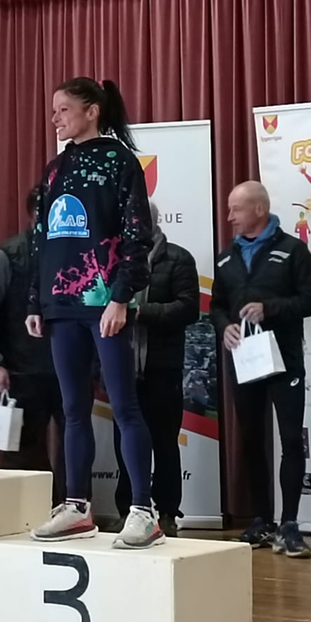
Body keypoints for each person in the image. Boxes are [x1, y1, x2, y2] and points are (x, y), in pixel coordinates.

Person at [25, 77, 160, 549]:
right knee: (73, 410)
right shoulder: (55, 168)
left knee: (124, 406)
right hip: (60, 305)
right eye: (54, 110)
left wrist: (120, 298)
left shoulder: (121, 161)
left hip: (104, 302)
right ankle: (77, 505)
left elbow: (138, 236)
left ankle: (143, 510)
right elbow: (41, 239)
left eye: (64, 109)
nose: (55, 118)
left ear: (92, 111)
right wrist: (36, 301)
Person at [212, 181, 311, 558]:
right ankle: (261, 520)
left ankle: (290, 524)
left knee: (290, 439)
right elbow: (217, 305)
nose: (229, 217)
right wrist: (224, 326)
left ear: (259, 209)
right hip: (244, 360)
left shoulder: (292, 250)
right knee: (251, 438)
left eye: (236, 209)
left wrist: (269, 308)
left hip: (284, 359)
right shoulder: (226, 259)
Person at [110, 201, 200, 538]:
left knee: (164, 443)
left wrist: (141, 313)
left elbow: (189, 308)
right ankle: (128, 510)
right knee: (124, 442)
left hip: (162, 367)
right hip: (122, 365)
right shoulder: (114, 259)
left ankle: (167, 513)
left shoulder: (178, 258)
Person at [0, 186, 65, 500]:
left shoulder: (75, 254)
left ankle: (73, 508)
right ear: (34, 214)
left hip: (67, 368)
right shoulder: (9, 255)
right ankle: (32, 511)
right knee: (23, 452)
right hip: (20, 369)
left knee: (75, 446)